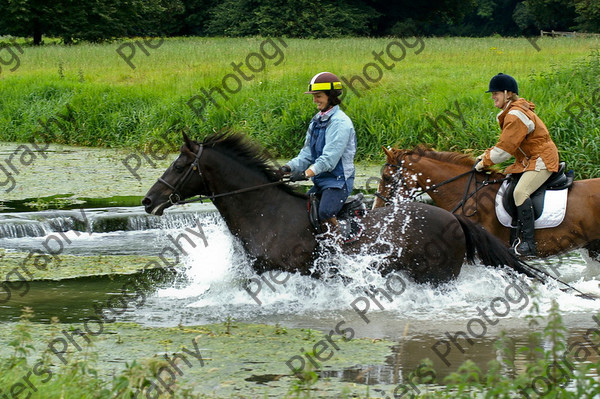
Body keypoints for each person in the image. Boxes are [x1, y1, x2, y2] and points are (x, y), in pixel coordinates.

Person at [475, 73, 559, 256]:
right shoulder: (512, 112)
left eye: (495, 93)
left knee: (520, 192)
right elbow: (504, 145)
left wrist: (484, 163)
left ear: (507, 93)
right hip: (528, 160)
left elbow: (505, 150)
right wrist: (483, 156)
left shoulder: (515, 115)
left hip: (541, 160)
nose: (492, 97)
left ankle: (529, 243)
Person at [278, 72, 357, 239]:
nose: (315, 100)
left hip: (338, 182)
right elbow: (307, 154)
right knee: (300, 211)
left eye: (318, 96)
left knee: (325, 212)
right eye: (314, 96)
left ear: (332, 96)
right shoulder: (316, 121)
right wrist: (287, 167)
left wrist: (305, 174)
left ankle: (338, 250)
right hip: (321, 181)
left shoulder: (340, 123)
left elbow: (329, 159)